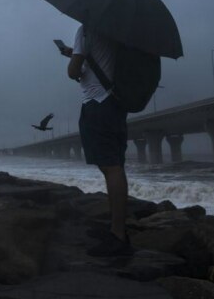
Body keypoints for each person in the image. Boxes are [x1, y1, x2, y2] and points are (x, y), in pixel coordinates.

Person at [60, 25, 132, 257]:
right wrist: (77, 53)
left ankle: (118, 235)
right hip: (117, 103)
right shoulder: (116, 31)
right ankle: (116, 229)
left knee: (111, 168)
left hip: (97, 102)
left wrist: (73, 58)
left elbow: (73, 72)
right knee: (115, 166)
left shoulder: (86, 30)